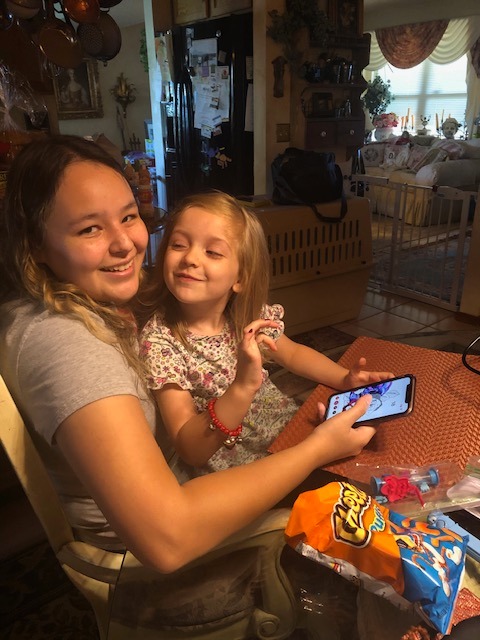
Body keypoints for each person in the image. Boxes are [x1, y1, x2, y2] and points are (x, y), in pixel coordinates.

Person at [0, 134, 377, 574]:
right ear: (35, 245)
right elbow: (169, 538)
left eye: (129, 216)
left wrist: (337, 388)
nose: (125, 244)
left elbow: (283, 349)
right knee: (369, 504)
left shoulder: (114, 295)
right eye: (89, 229)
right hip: (174, 557)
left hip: (233, 467)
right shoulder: (69, 346)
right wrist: (315, 450)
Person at [137, 191, 394, 478]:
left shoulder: (245, 316)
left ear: (240, 278)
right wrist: (242, 387)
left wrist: (344, 379)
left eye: (212, 252)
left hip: (287, 433)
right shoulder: (161, 342)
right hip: (243, 472)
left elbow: (293, 354)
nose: (190, 258)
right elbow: (190, 448)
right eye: (178, 245)